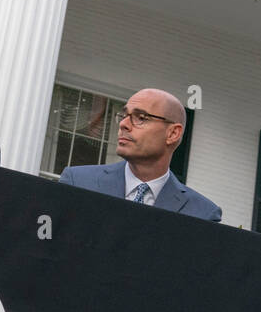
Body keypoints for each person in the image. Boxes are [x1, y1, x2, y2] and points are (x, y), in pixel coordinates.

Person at [60, 88, 221, 221]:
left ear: (173, 133)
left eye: (141, 118)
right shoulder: (77, 182)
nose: (123, 124)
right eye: (123, 116)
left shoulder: (203, 214)